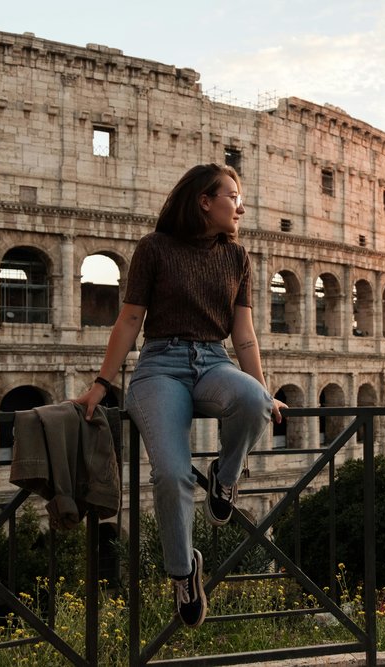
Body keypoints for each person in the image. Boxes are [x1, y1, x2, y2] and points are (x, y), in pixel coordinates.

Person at [73, 163, 285, 629]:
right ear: (203, 201)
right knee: (170, 475)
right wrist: (102, 384)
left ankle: (225, 478)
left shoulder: (237, 258)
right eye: (232, 196)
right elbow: (129, 321)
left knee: (254, 403)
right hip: (159, 367)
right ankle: (185, 572)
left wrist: (264, 389)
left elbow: (244, 334)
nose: (241, 206)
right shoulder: (154, 249)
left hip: (213, 361)